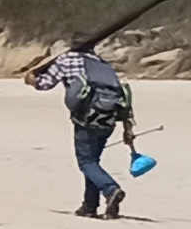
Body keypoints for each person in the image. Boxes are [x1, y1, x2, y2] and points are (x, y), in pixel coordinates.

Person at [29, 37, 133, 218]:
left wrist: (30, 78)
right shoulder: (102, 64)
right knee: (93, 162)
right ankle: (90, 206)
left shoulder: (65, 60)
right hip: (107, 121)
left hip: (85, 120)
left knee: (86, 162)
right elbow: (121, 94)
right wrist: (128, 128)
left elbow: (44, 84)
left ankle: (110, 189)